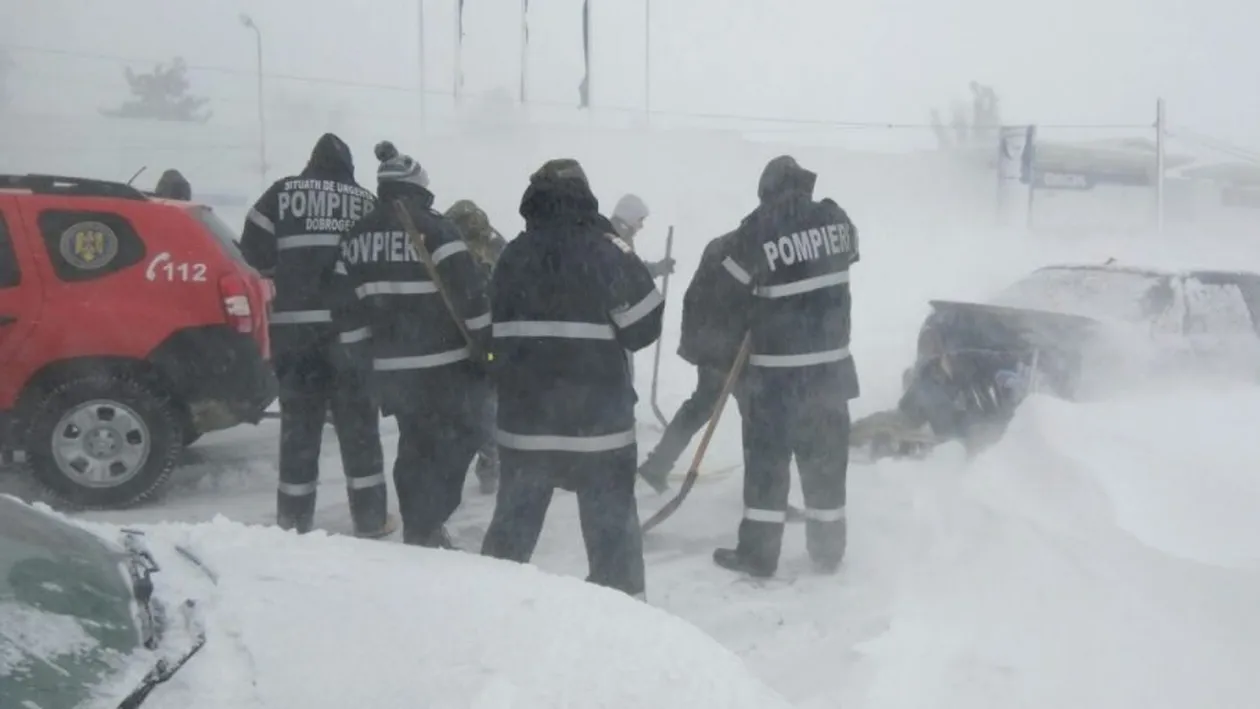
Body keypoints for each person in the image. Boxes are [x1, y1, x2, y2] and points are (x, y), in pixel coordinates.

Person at [480, 159, 664, 599]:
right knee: (613, 540)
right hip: (597, 431)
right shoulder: (606, 251)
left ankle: (488, 612)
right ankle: (624, 616)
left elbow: (489, 334)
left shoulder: (512, 256)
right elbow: (644, 327)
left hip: (525, 428)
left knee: (511, 536)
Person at [699, 155, 860, 578]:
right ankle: (828, 550)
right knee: (826, 466)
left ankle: (759, 555)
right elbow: (848, 255)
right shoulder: (837, 218)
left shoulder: (758, 230)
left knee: (767, 470)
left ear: (768, 192)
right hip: (831, 375)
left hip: (777, 380)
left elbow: (727, 291)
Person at [332, 142, 491, 548]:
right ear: (420, 188)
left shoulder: (354, 238)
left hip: (391, 372)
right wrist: (488, 347)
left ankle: (421, 526)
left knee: (414, 445)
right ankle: (428, 521)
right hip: (445, 366)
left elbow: (346, 311)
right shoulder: (438, 230)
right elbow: (471, 297)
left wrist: (362, 363)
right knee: (464, 436)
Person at [240, 133, 390, 538]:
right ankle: (371, 519)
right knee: (359, 432)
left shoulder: (281, 194)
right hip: (349, 338)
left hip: (295, 336)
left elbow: (252, 252)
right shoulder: (365, 201)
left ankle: (293, 520)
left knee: (299, 432)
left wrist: (288, 274)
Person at [636, 228, 742, 492]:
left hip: (714, 341)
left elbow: (697, 298)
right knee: (756, 412)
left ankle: (658, 464)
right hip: (726, 344)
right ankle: (763, 490)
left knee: (702, 405)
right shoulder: (741, 250)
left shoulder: (721, 246)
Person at [445, 199, 508, 495]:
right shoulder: (468, 253)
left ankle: (488, 464)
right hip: (475, 340)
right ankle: (488, 463)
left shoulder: (480, 251)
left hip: (476, 342)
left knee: (483, 406)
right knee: (482, 407)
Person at [610, 194, 675, 279]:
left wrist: (657, 269)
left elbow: (633, 269)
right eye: (640, 220)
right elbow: (630, 273)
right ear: (630, 217)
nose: (641, 226)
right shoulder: (614, 240)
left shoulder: (622, 238)